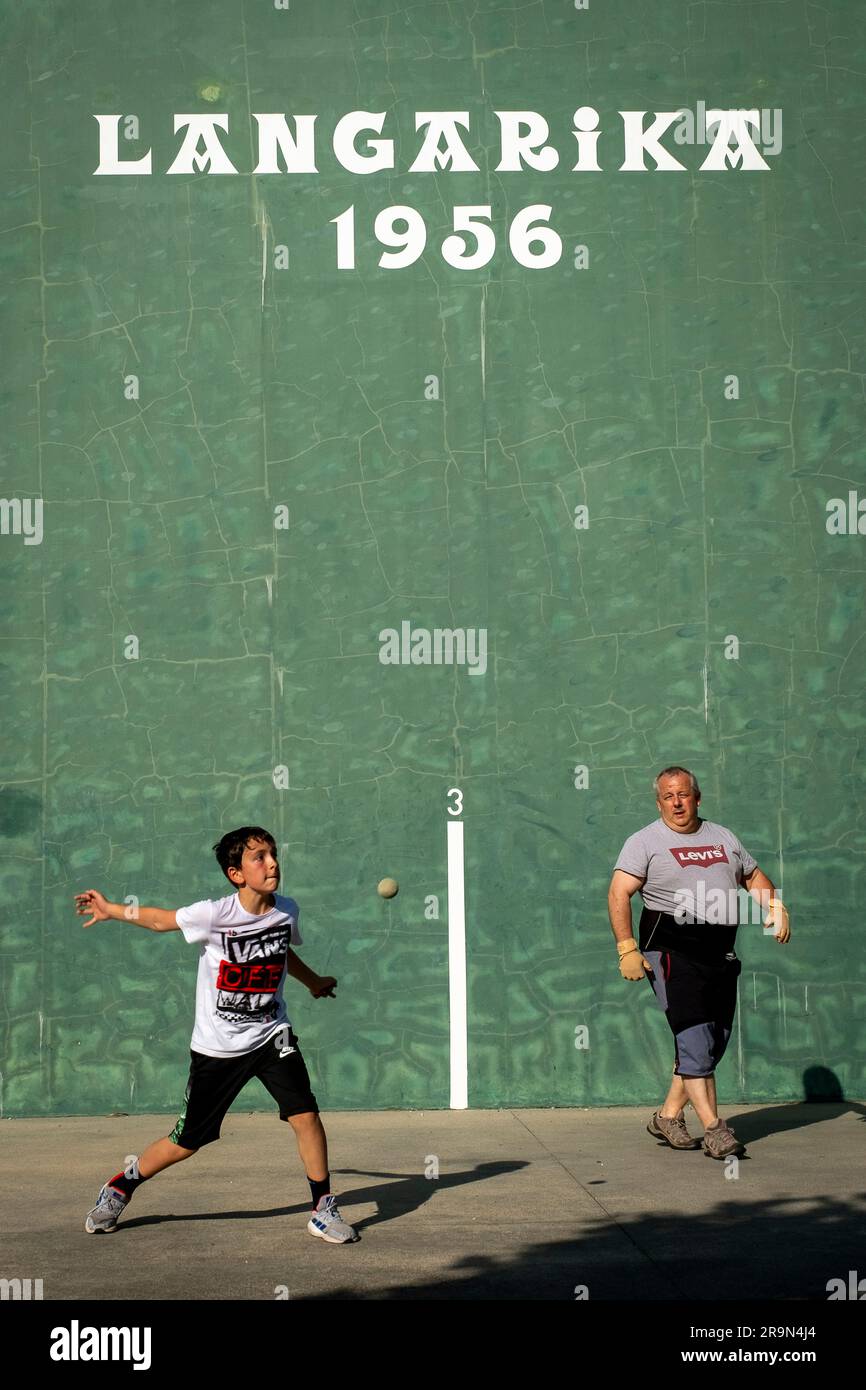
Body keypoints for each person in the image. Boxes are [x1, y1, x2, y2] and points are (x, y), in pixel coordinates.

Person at [75, 826, 357, 1243]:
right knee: (188, 1141)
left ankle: (322, 1208)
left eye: (273, 854)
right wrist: (112, 908)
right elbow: (159, 921)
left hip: (271, 1036)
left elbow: (281, 952)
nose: (272, 863)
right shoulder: (214, 914)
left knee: (305, 1115)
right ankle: (121, 1186)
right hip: (218, 1048)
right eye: (258, 857)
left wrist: (313, 981)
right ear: (236, 873)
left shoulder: (287, 911)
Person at [607, 768, 791, 1159]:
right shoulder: (644, 842)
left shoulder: (723, 837)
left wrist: (774, 904)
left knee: (712, 1041)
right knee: (693, 1038)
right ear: (659, 802)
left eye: (684, 794)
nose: (676, 802)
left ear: (697, 797)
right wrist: (627, 947)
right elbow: (619, 893)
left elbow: (752, 875)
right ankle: (715, 1130)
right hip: (671, 952)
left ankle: (668, 1116)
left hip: (720, 955)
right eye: (668, 796)